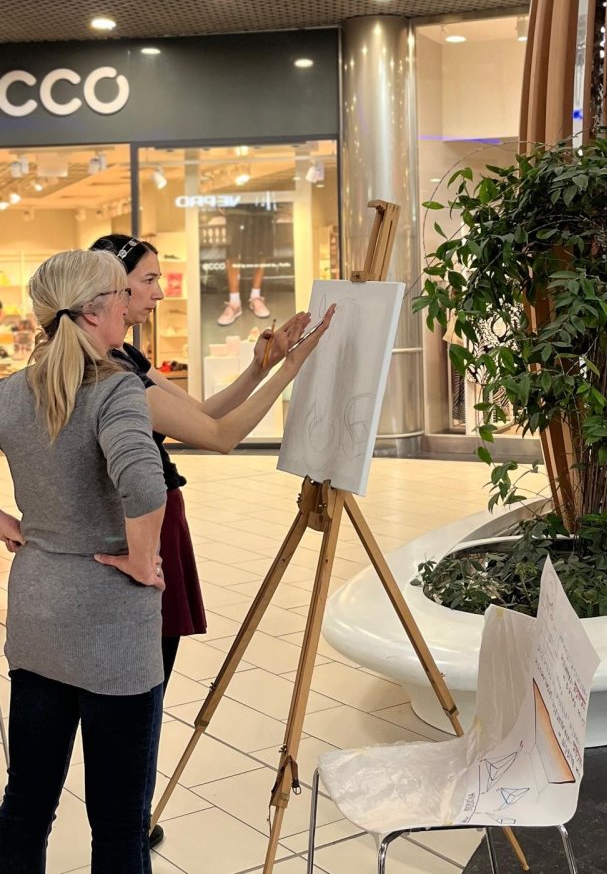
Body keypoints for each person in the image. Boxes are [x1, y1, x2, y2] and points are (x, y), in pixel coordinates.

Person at [89, 234, 333, 847]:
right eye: (147, 281)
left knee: (150, 676)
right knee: (144, 682)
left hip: (155, 518)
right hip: (141, 525)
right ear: (110, 288)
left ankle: (129, 815)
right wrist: (292, 369)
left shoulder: (128, 358)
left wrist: (262, 365)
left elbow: (202, 414)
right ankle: (128, 821)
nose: (157, 292)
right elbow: (220, 437)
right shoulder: (111, 373)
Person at [0, 249, 167, 874]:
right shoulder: (116, 388)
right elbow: (144, 484)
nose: (129, 305)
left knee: (25, 805)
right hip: (111, 627)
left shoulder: (11, 392)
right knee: (119, 826)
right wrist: (141, 560)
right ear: (94, 311)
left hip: (37, 611)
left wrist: (6, 523)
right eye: (121, 295)